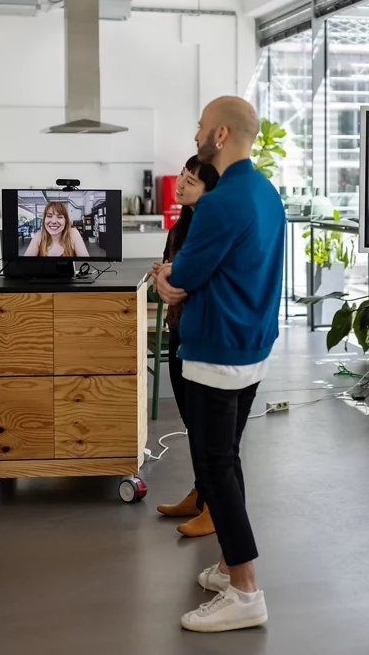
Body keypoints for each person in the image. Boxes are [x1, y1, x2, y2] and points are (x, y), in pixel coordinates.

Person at [154, 96, 284, 633]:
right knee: (226, 460)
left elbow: (181, 279)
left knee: (216, 468)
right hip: (249, 346)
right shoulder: (264, 190)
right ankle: (233, 567)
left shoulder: (221, 202)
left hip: (215, 352)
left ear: (222, 133)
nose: (196, 137)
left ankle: (246, 591)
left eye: (201, 128)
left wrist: (167, 283)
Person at [151, 155, 221, 538]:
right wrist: (162, 274)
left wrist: (168, 275)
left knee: (206, 425)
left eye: (191, 180)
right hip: (179, 329)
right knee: (191, 421)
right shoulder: (181, 226)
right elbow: (171, 276)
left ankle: (213, 504)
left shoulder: (207, 228)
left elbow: (186, 280)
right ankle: (200, 494)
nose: (181, 183)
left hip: (199, 332)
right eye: (182, 174)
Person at [23, 200, 89, 257]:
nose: (54, 221)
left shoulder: (73, 233)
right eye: (49, 216)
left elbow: (86, 264)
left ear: (65, 221)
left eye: (59, 217)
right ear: (44, 220)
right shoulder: (39, 236)